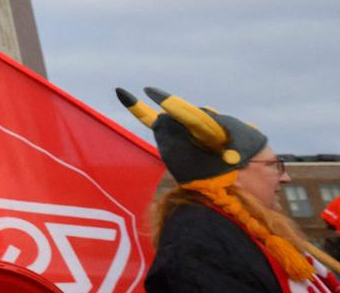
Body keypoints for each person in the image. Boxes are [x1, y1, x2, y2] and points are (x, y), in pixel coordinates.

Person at [120, 87, 340, 292]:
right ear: (231, 176)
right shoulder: (200, 246)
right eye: (274, 165)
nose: (285, 177)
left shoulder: (232, 233)